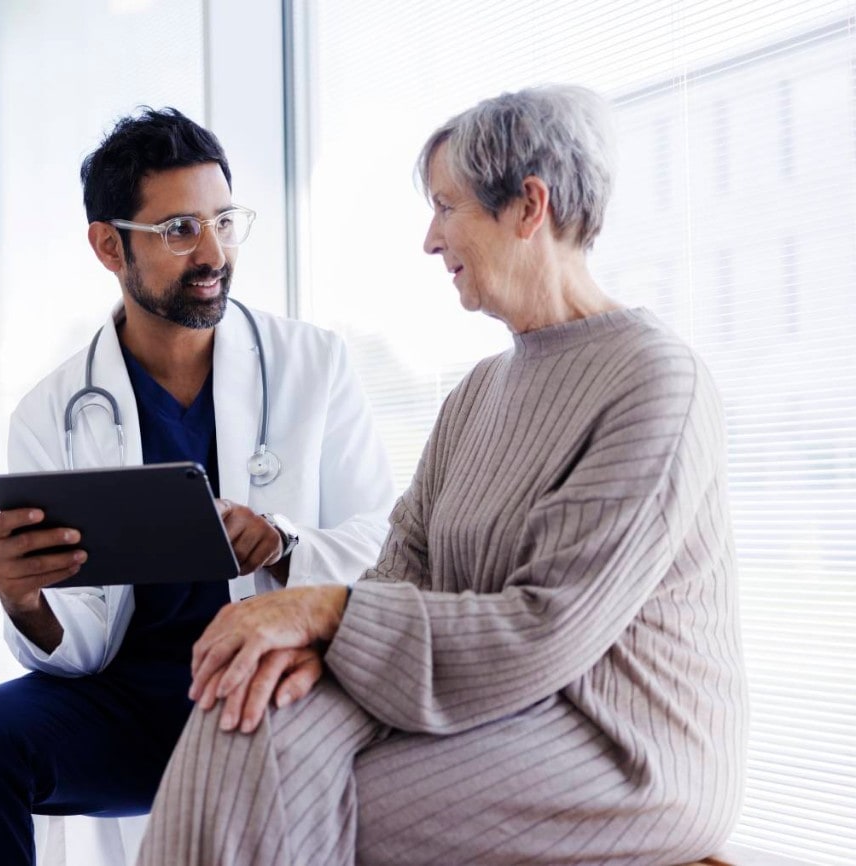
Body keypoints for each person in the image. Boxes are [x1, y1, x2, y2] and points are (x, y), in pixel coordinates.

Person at [136, 85, 748, 866]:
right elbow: (403, 567)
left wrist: (326, 615)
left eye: (446, 205)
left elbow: (545, 627)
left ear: (529, 207)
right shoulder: (478, 393)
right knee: (240, 715)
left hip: (620, 745)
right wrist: (311, 639)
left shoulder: (655, 383)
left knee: (294, 800)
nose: (430, 239)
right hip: (484, 705)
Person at [0, 107, 394, 866]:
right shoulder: (52, 413)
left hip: (273, 679)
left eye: (224, 221)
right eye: (179, 229)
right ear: (110, 246)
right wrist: (24, 601)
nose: (212, 250)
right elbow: (75, 648)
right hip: (131, 702)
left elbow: (385, 542)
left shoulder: (315, 365)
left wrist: (285, 542)